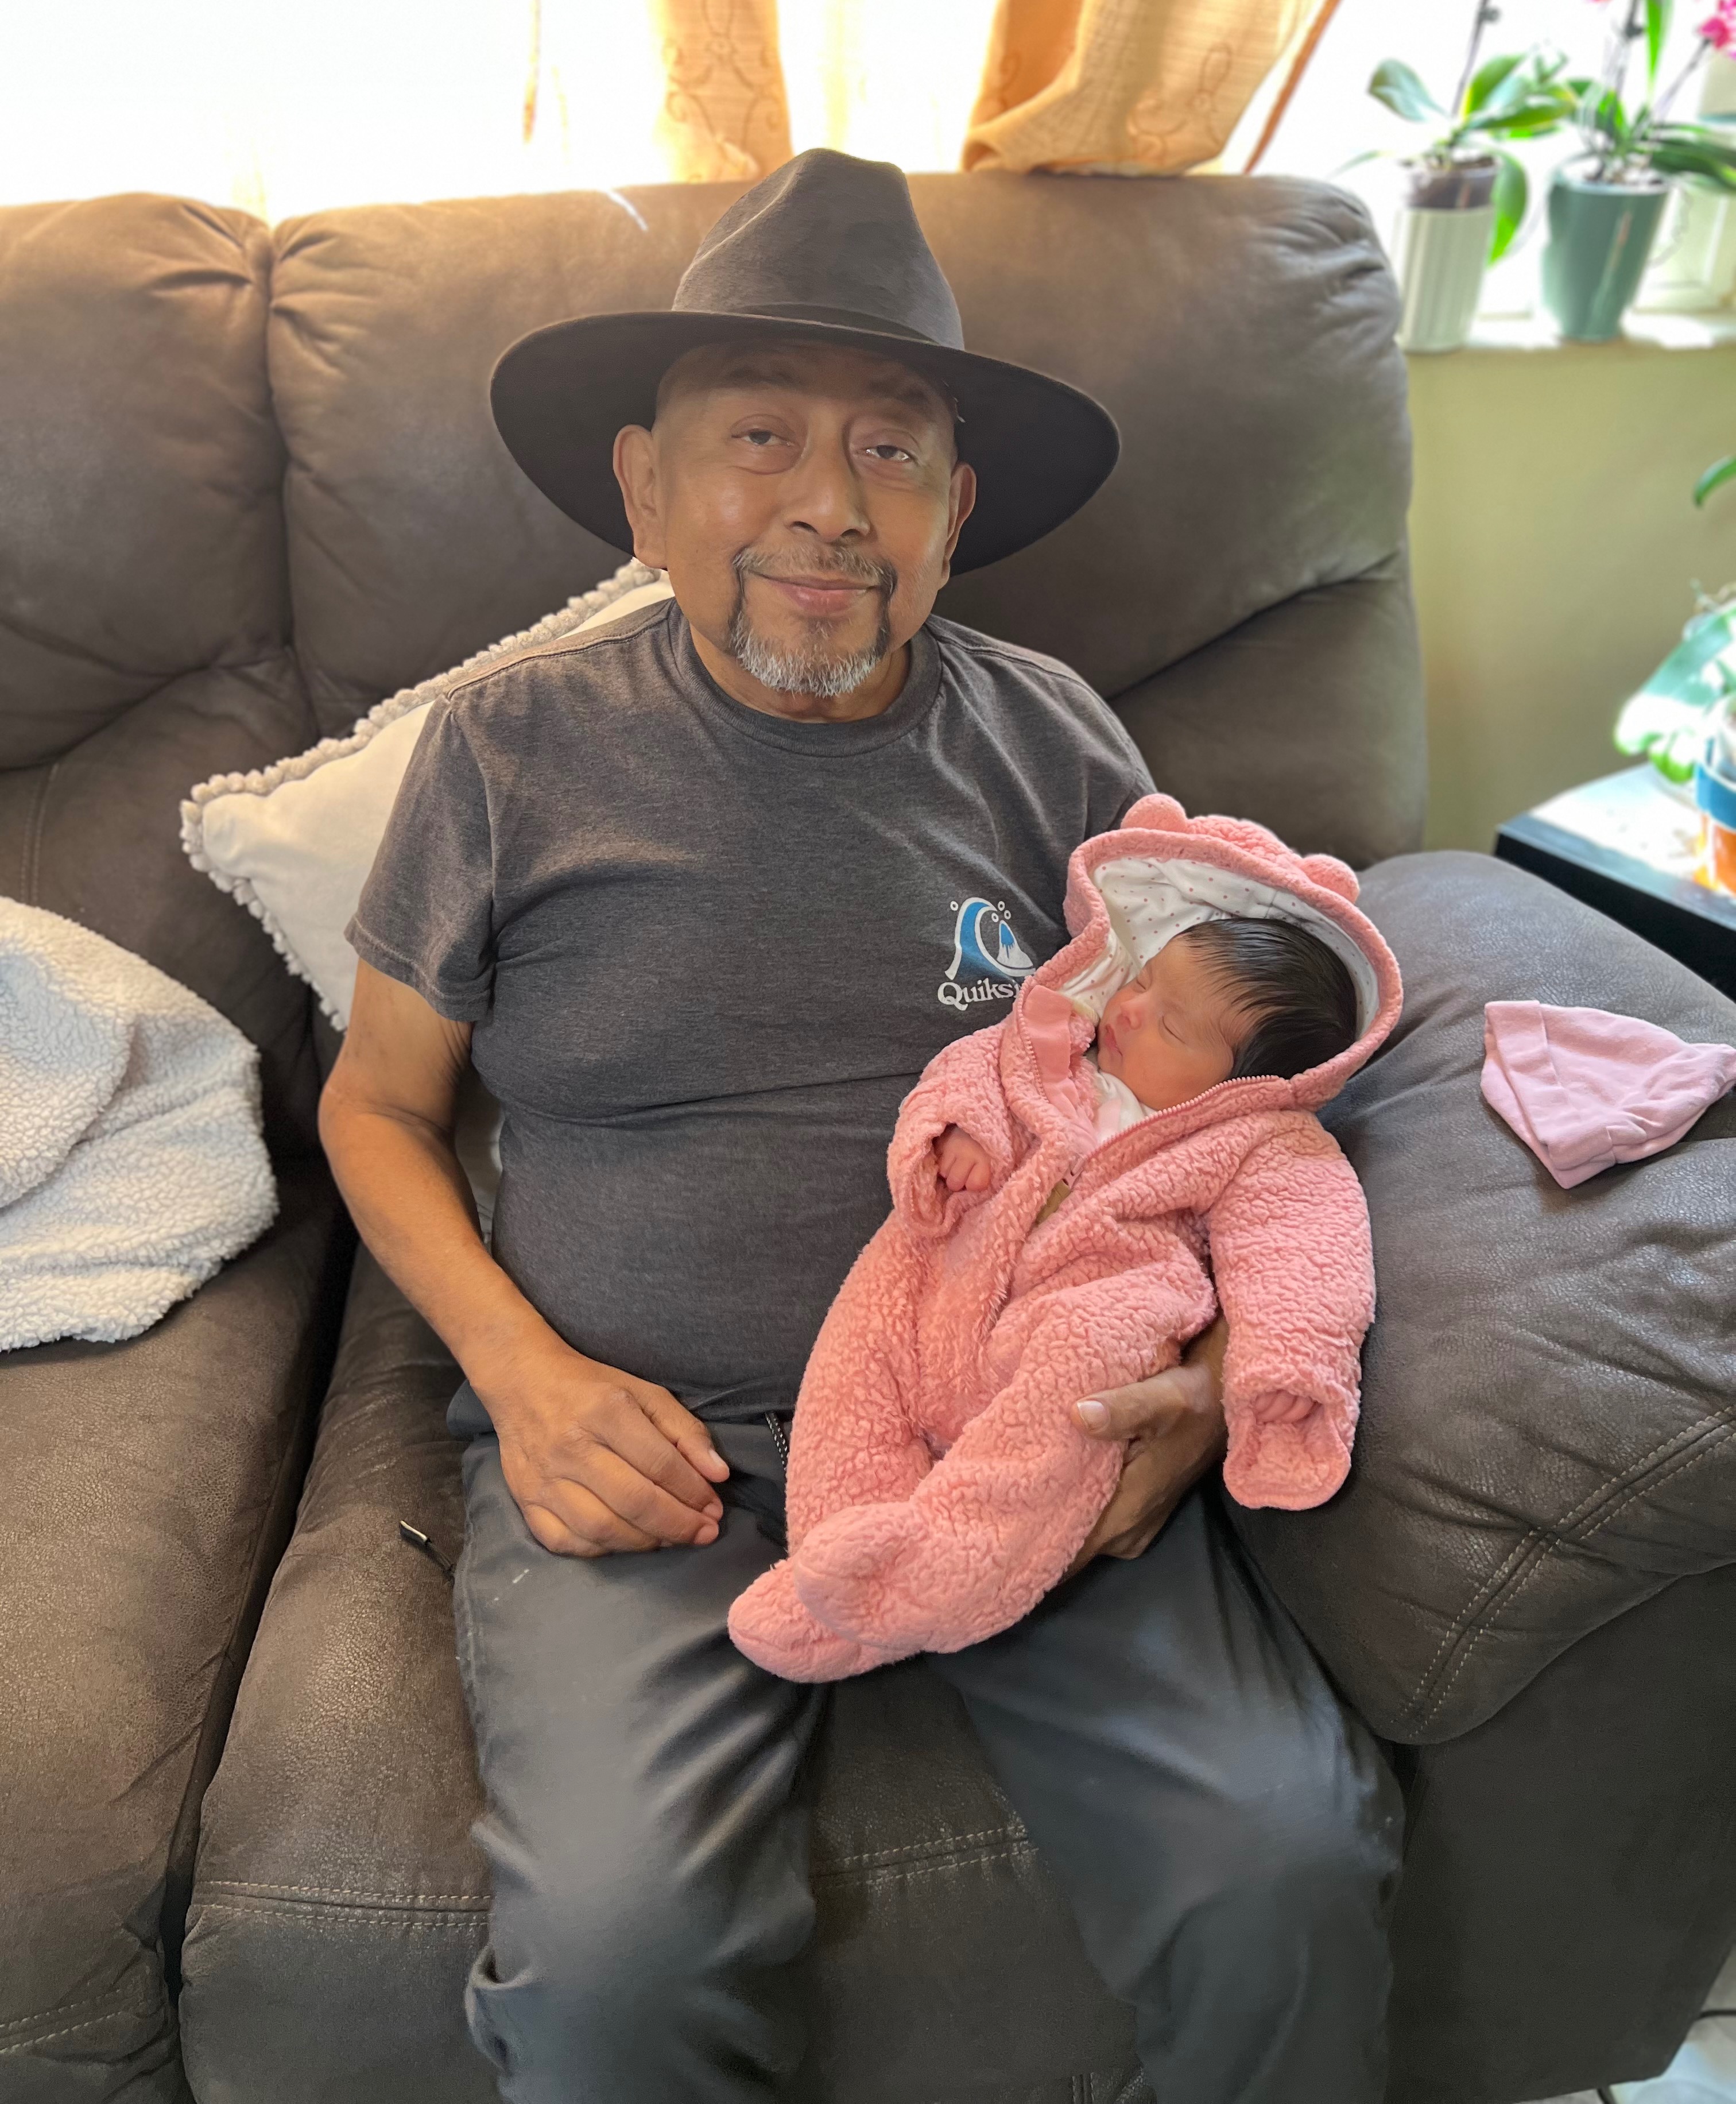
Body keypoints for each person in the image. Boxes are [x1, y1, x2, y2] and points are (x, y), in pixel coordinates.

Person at [318, 149, 1402, 2104]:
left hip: (1025, 1409)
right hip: (649, 1445)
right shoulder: (506, 751)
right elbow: (378, 1104)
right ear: (644, 487)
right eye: (760, 436)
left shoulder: (1055, 743)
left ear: (954, 515)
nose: (829, 502)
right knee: (618, 1973)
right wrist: (525, 1380)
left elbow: (1236, 1112)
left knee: (1284, 1865)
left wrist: (1215, 1372)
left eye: (891, 450)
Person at [727, 798, 1404, 1685]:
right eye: (1143, 980)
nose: (1131, 1011)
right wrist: (958, 1131)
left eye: (1172, 1025)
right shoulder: (1050, 1052)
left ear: (1250, 1083)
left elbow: (1308, 1260)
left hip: (1093, 1299)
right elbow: (966, 1067)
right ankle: (835, 1566)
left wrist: (1284, 1375)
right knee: (858, 1355)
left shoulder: (1262, 1142)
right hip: (943, 1267)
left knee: (1089, 1359)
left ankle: (943, 1570)